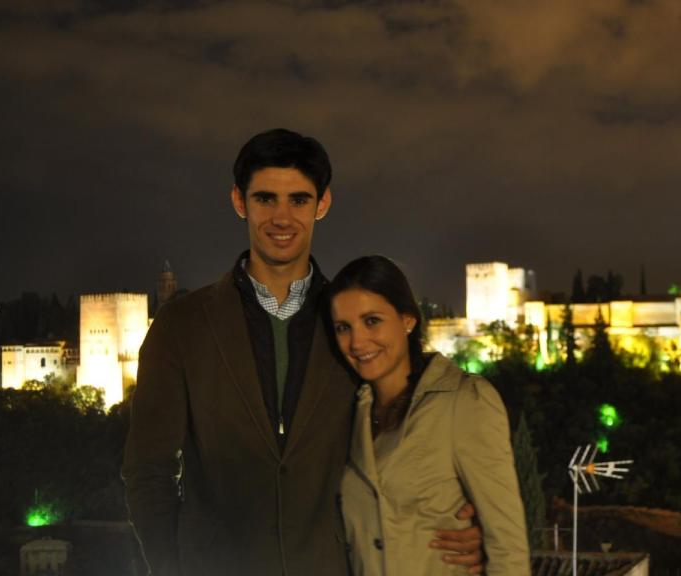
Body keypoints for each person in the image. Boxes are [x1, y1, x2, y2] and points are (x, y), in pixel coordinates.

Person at [122, 129, 484, 575]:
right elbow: (148, 471)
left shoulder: (360, 326)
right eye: (265, 199)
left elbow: (409, 447)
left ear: (322, 204)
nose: (282, 217)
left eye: (298, 199)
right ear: (239, 202)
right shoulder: (182, 325)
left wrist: (457, 520)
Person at [327, 255, 530, 575]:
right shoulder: (350, 414)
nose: (357, 341)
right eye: (343, 327)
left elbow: (508, 548)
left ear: (407, 320)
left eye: (372, 321)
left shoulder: (464, 402)